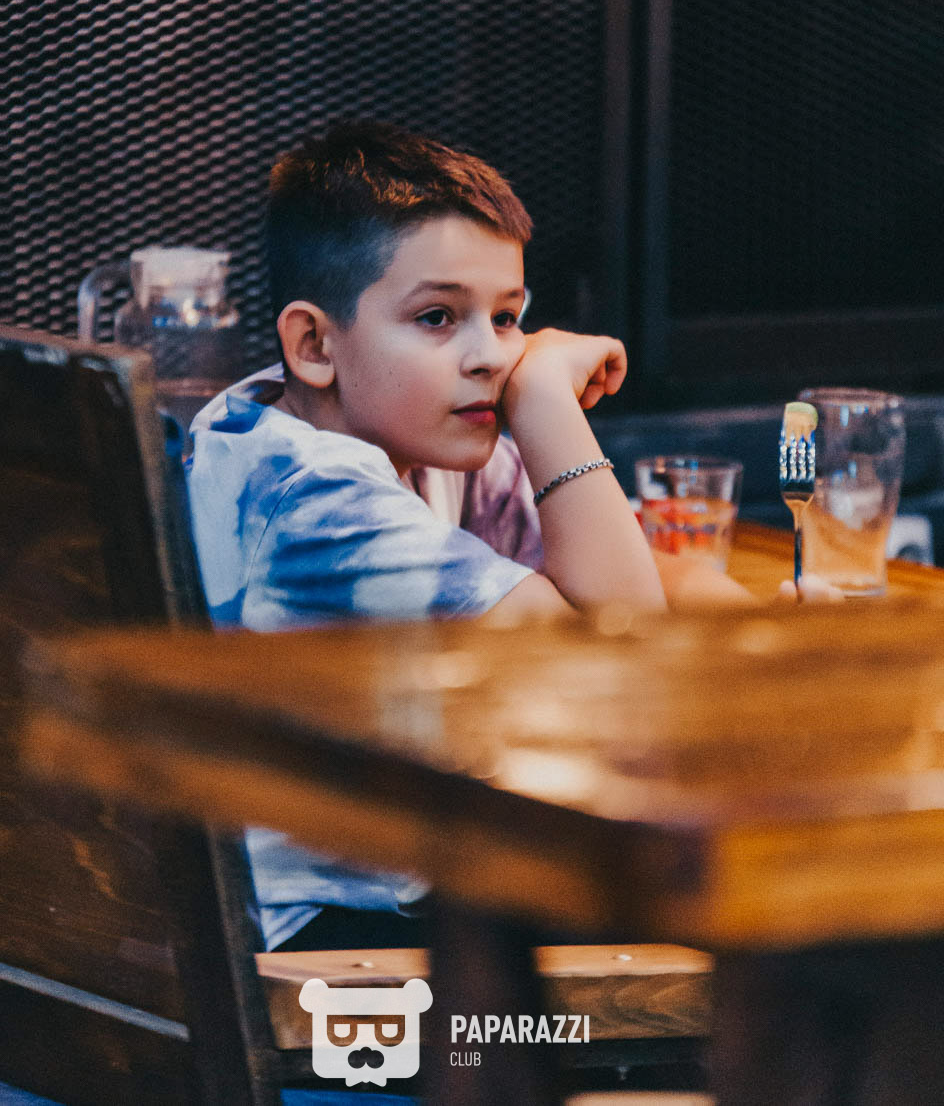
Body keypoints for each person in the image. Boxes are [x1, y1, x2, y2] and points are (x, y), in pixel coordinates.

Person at [187, 118, 825, 951]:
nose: (491, 357)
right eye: (437, 317)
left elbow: (649, 578)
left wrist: (787, 649)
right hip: (328, 944)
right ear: (313, 344)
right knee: (754, 905)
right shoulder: (314, 496)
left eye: (507, 317)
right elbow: (615, 653)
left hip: (426, 875)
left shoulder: (409, 430)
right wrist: (548, 401)